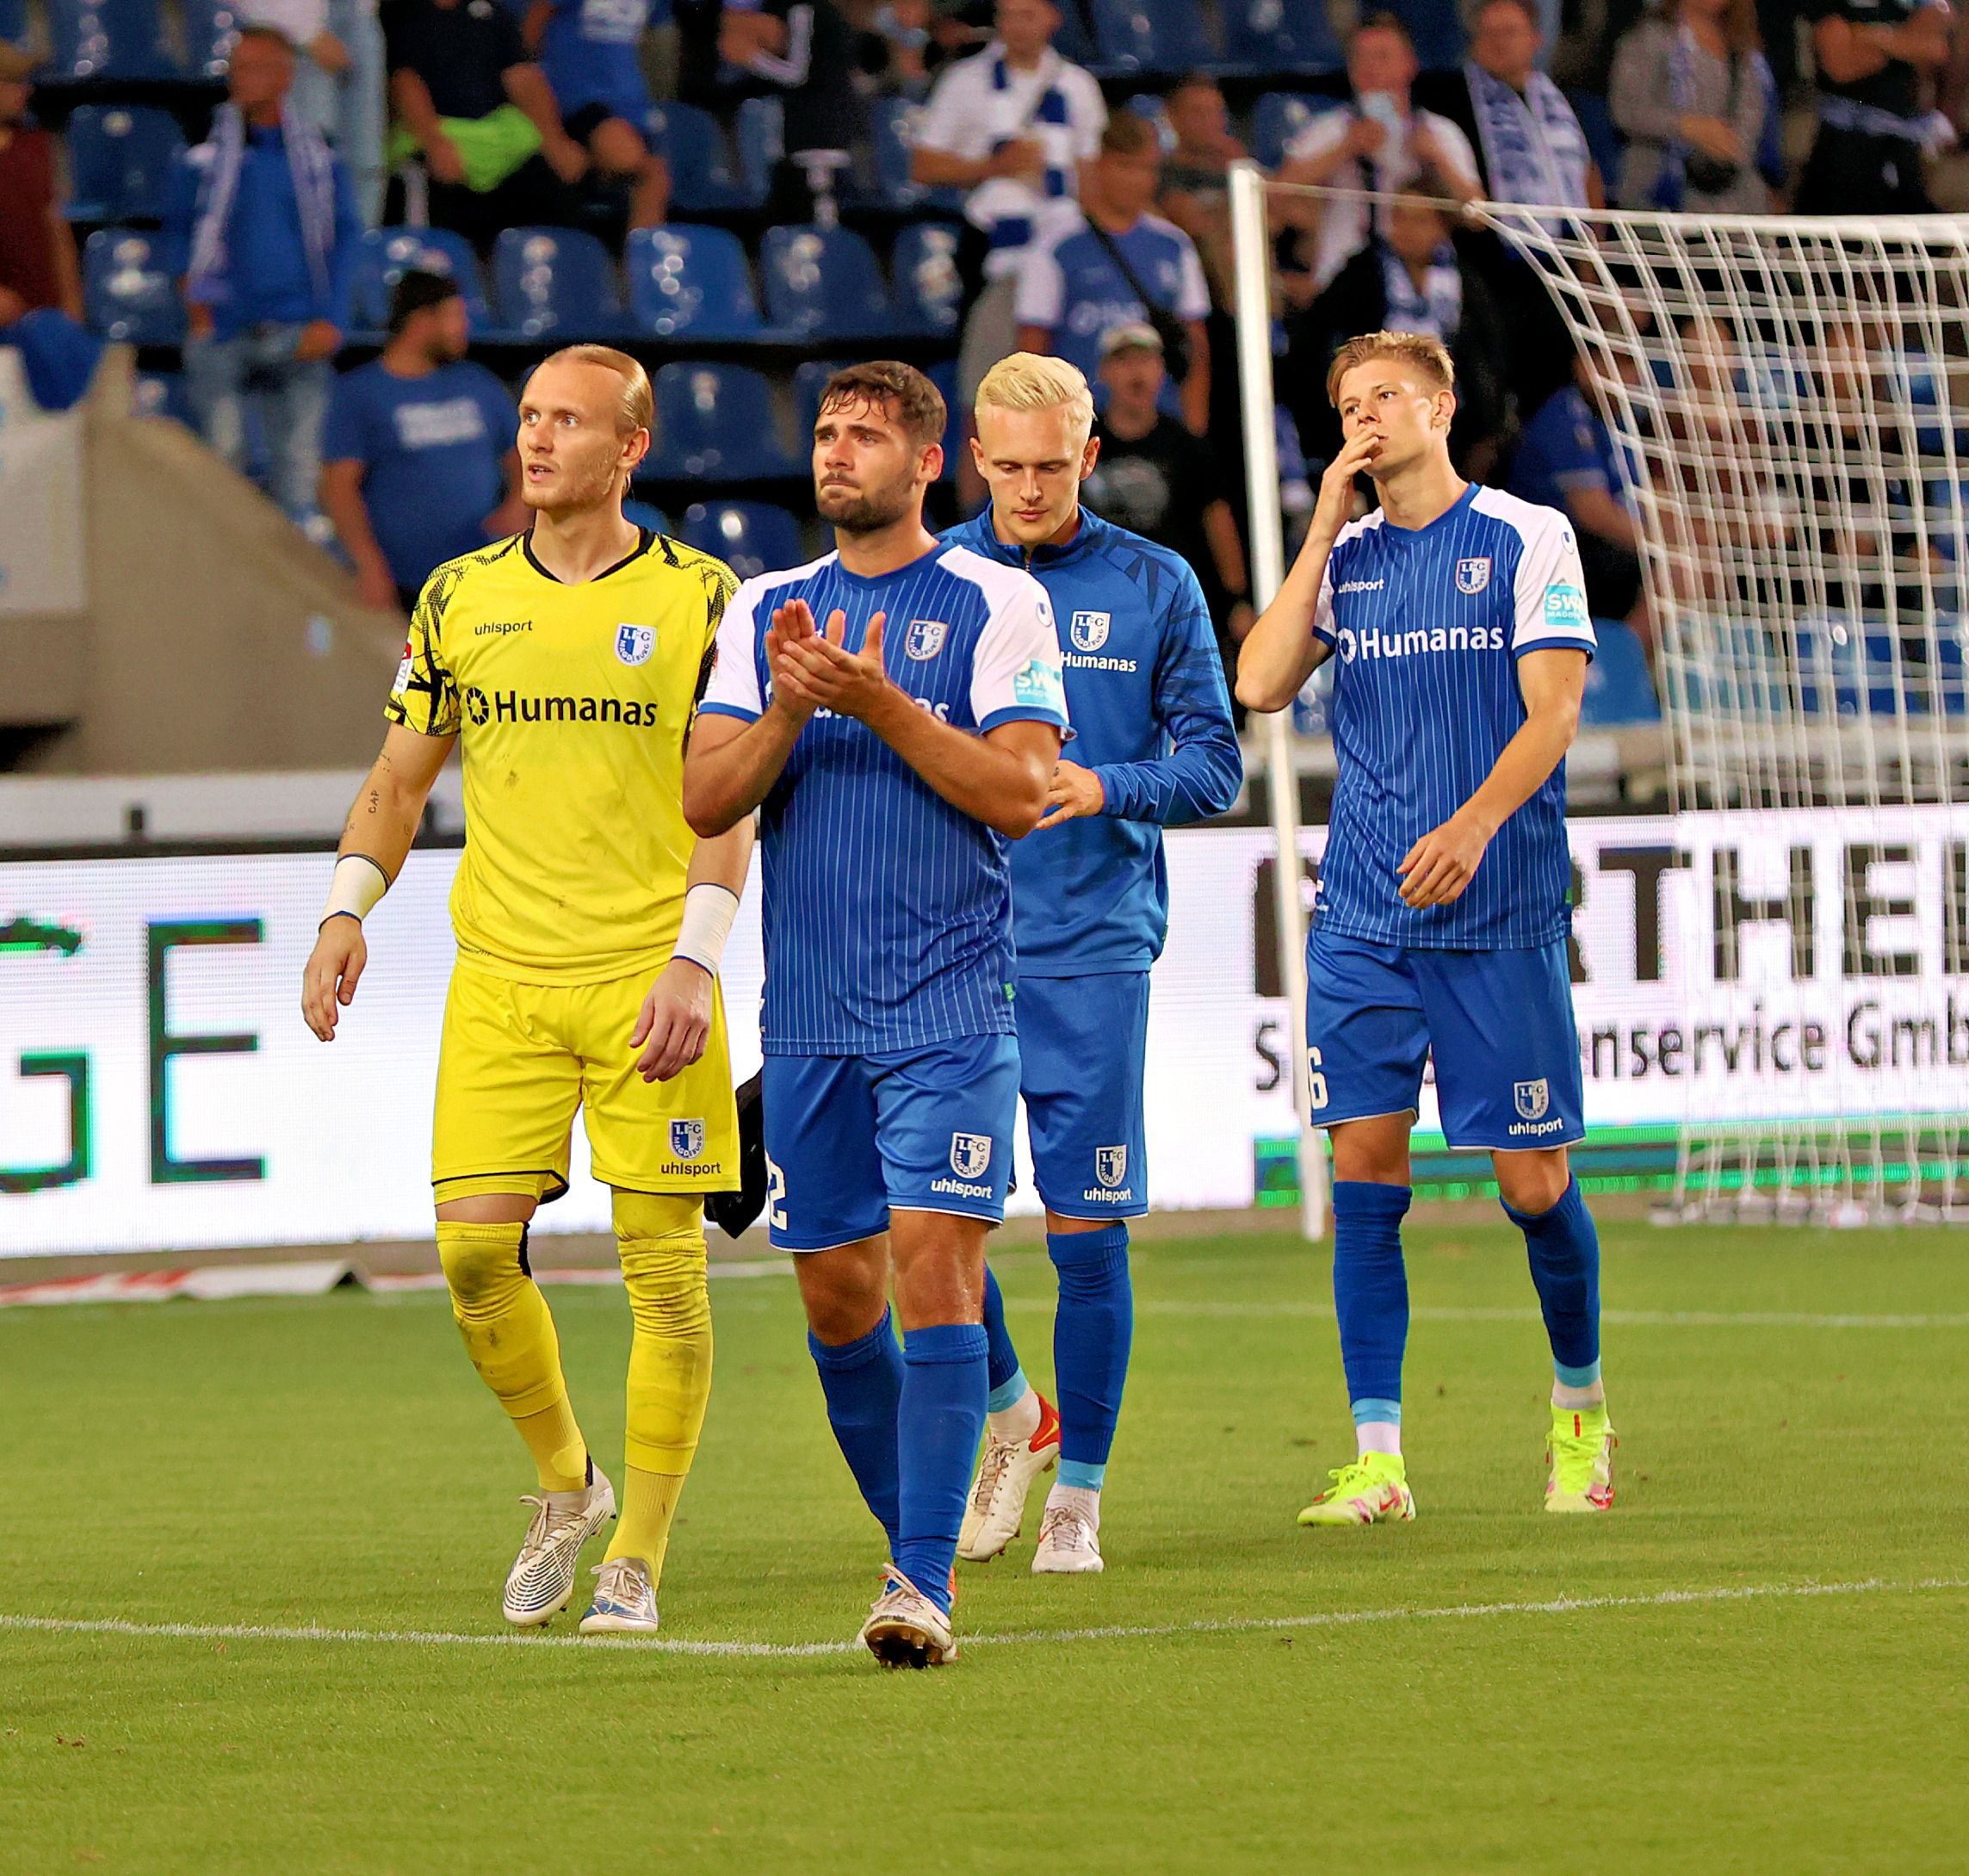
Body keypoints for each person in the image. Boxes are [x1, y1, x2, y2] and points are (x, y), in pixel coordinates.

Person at [301, 344, 750, 1638]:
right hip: (498, 973)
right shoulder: (457, 595)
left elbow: (725, 799)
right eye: (529, 418)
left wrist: (696, 955)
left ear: (631, 448)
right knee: (468, 1252)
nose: (538, 440)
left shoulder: (700, 597)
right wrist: (345, 906)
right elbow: (397, 779)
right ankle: (568, 1483)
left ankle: (641, 1556)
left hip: (644, 977)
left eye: (568, 421)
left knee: (661, 1271)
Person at [683, 361, 1068, 1667]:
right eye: (827, 434)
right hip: (809, 1023)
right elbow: (703, 794)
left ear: (925, 460)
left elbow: (1021, 793)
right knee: (835, 1298)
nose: (836, 453)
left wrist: (883, 703)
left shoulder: (995, 602)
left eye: (864, 436)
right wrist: (792, 701)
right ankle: (916, 1527)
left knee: (931, 1265)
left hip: (951, 1007)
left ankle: (916, 1581)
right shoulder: (764, 611)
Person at [1235, 328, 1617, 1527]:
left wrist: (1469, 825)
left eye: (1387, 394)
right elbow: (1256, 683)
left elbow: (1552, 710)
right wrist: (1315, 527)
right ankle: (1376, 1457)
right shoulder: (1342, 561)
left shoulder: (1521, 535)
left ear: (1441, 405)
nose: (1367, 414)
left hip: (1495, 907)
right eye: (1348, 402)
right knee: (1363, 1172)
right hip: (1359, 914)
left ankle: (1577, 1410)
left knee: (1529, 1184)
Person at [941, 353, 1241, 1573]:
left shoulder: (1152, 582)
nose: (1025, 487)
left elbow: (1213, 766)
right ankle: (1016, 1409)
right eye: (1004, 466)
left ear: (1088, 457)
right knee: (930, 1229)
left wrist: (1103, 783)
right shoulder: (926, 574)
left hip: (1089, 947)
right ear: (972, 457)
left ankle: (1080, 1493)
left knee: (1084, 1233)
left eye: (1048, 466)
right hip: (944, 943)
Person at [164, 26, 363, 524]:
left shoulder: (318, 158)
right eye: (237, 70)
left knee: (298, 474)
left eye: (255, 69)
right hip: (224, 329)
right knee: (222, 470)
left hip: (300, 329)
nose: (242, 80)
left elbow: (345, 239)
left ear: (285, 77)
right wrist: (192, 297)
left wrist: (333, 318)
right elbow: (176, 233)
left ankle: (291, 598)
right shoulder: (202, 152)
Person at [909, 0, 1106, 408]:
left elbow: (1090, 173)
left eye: (1028, 15)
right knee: (984, 391)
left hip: (1061, 240)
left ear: (1053, 19)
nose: (1017, 26)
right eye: (1009, 15)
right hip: (989, 242)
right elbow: (924, 165)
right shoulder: (966, 80)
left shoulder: (1078, 85)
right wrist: (994, 166)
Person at [319, 269, 529, 613]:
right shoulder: (359, 393)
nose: (464, 327)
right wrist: (369, 566)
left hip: (481, 581)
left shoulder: (478, 384)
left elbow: (524, 456)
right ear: (420, 321)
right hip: (407, 585)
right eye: (454, 316)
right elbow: (339, 488)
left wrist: (518, 506)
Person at [1436, 0, 1601, 411]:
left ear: (1535, 39)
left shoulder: (1559, 103)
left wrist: (1592, 265)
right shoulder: (1452, 99)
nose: (1498, 43)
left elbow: (1586, 177)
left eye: (1509, 32)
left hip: (1561, 267)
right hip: (1493, 271)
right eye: (1488, 33)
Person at [1285, 191, 1514, 482]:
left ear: (1442, 227)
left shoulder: (1467, 284)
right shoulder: (1362, 274)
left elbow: (1490, 360)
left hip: (1455, 428)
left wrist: (1487, 429)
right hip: (1374, 424)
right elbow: (1315, 342)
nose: (1405, 228)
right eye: (1398, 217)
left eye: (1418, 220)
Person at [1080, 324, 1254, 694]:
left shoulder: (1187, 447)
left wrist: (1236, 600)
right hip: (1100, 603)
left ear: (1161, 371)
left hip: (1173, 607)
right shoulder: (1080, 445)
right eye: (1125, 361)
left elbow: (1218, 524)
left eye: (1146, 360)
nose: (1137, 372)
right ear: (1104, 373)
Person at [1014, 111, 1212, 436]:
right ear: (1101, 166)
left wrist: (1193, 437)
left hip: (1160, 429)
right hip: (1078, 427)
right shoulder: (1055, 247)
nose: (1136, 180)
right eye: (1125, 167)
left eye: (1146, 169)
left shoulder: (1175, 246)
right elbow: (1032, 351)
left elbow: (1196, 352)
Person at [1275, 15, 1481, 298]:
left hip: (1422, 286)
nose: (1370, 67)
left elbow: (1478, 217)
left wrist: (1438, 159)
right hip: (1343, 282)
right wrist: (1346, 147)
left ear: (1410, 65)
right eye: (1361, 58)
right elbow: (1276, 194)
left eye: (1382, 57)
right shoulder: (1329, 130)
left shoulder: (1439, 132)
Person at [384, 0, 586, 249]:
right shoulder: (402, 14)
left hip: (495, 141)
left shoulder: (493, 12)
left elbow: (522, 77)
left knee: (553, 180)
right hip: (434, 138)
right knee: (434, 179)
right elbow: (405, 80)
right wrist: (435, 141)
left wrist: (557, 142)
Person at [1509, 354, 1644, 628]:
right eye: (1613, 364)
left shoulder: (1619, 423)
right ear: (1583, 366)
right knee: (1673, 571)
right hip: (1548, 550)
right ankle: (1621, 663)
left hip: (1594, 546)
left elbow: (1643, 501)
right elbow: (1593, 513)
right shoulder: (1562, 417)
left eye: (1630, 368)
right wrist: (1662, 547)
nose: (1623, 378)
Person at [1610, 0, 1775, 212]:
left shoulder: (1744, 47)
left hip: (1735, 201)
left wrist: (1729, 143)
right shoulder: (1649, 36)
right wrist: (1687, 127)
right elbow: (1625, 111)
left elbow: (1752, 118)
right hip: (1661, 196)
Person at [523, 0, 672, 229]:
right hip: (578, 94)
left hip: (629, 99)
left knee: (656, 178)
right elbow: (534, 25)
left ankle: (638, 261)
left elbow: (655, 35)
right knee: (633, 162)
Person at [1798, 0, 1954, 212]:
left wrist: (1870, 36)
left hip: (1903, 148)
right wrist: (1903, 41)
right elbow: (1840, 66)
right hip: (1844, 143)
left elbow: (1934, 48)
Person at [0, 43, 83, 328]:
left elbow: (57, 232)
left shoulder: (38, 146)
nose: (27, 90)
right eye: (13, 82)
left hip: (44, 319)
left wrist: (72, 308)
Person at [1156, 71, 1245, 306]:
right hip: (1199, 276)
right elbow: (1190, 221)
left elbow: (1290, 216)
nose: (1209, 121)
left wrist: (1242, 167)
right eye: (1198, 113)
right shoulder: (1162, 172)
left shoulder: (1238, 169)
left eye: (1215, 112)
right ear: (1172, 117)